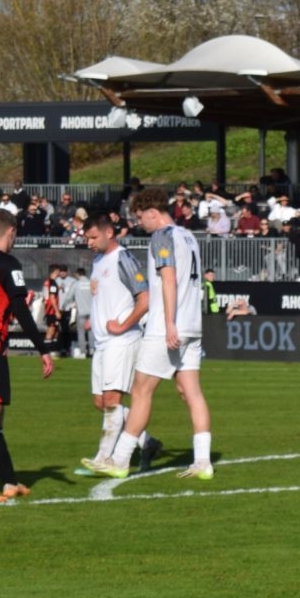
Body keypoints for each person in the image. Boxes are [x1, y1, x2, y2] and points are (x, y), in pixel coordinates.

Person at [88, 188, 214, 481]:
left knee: (142, 390)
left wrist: (169, 322)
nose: (140, 223)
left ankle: (119, 459)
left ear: (153, 213)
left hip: (166, 326)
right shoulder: (189, 236)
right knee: (191, 392)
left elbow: (168, 279)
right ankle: (203, 461)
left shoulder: (162, 236)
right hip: (193, 325)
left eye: (141, 217)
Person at [0, 209, 57, 501]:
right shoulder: (8, 263)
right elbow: (20, 309)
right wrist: (43, 349)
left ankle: (9, 482)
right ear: (11, 231)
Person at [77, 214, 149, 474]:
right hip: (102, 343)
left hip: (122, 340)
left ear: (109, 232)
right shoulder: (98, 261)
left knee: (111, 399)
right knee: (101, 402)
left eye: (93, 237)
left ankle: (104, 458)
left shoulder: (124, 259)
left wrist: (123, 324)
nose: (89, 242)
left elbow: (145, 299)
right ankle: (147, 442)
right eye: (87, 238)